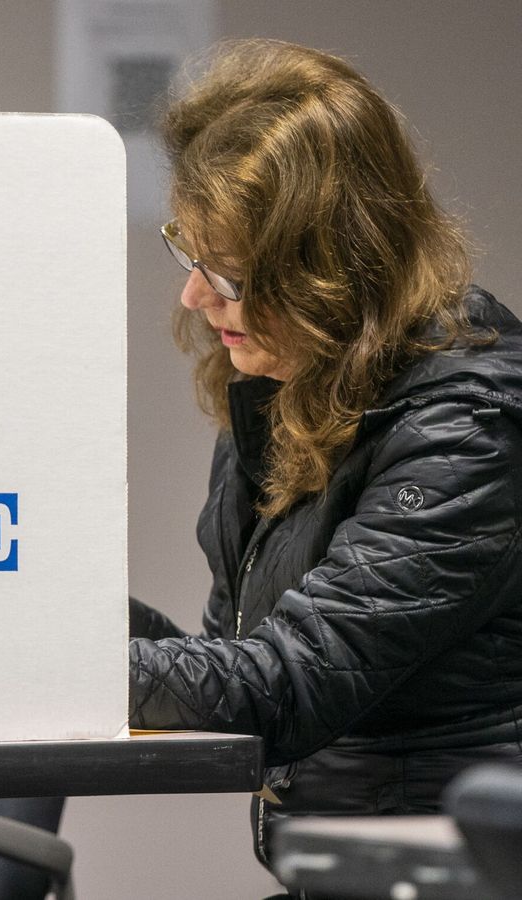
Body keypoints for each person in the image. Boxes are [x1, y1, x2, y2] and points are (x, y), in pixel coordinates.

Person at [127, 38, 522, 887]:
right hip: (345, 871)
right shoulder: (287, 388)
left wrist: (54, 663)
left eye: (227, 273)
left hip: (453, 877)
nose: (196, 297)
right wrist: (51, 620)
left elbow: (284, 683)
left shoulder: (468, 429)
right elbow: (229, 655)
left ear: (328, 272)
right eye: (190, 258)